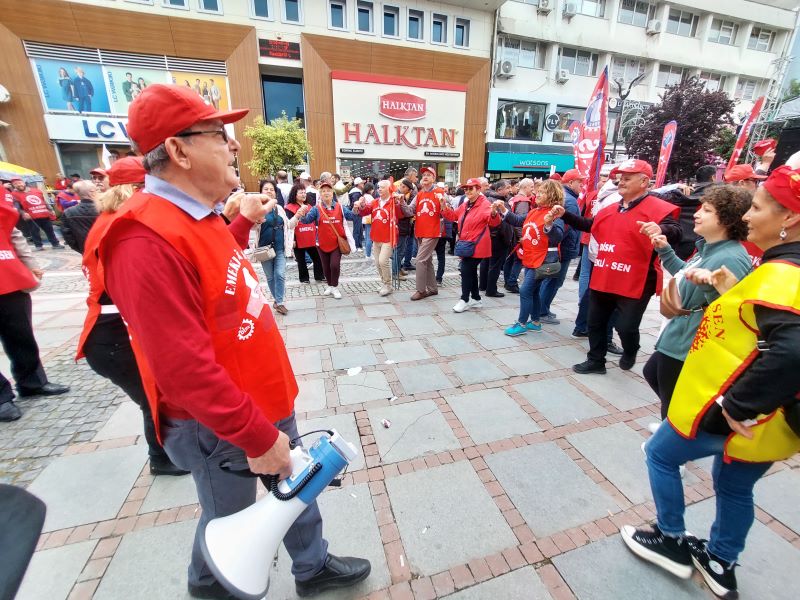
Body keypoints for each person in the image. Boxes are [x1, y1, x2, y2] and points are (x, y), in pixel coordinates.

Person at [98, 84, 370, 598]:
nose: (235, 146)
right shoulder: (142, 238)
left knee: (296, 492)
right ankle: (214, 588)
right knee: (230, 523)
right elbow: (183, 369)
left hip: (260, 400)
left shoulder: (193, 215)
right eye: (219, 135)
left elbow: (217, 271)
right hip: (222, 423)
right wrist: (256, 436)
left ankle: (311, 567)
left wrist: (242, 220)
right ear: (178, 151)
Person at [621, 165, 800, 600]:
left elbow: (793, 348)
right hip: (771, 422)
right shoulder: (780, 266)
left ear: (789, 219)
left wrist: (734, 407)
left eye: (756, 207)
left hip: (741, 413)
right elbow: (765, 327)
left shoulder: (785, 273)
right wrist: (732, 288)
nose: (749, 216)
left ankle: (670, 540)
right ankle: (721, 561)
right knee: (735, 486)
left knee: (660, 454)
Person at [73, 157, 187, 476]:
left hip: (111, 332)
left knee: (155, 396)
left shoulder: (112, 219)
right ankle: (161, 459)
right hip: (112, 336)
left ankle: (163, 456)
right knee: (155, 398)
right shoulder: (121, 226)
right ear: (136, 188)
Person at [553, 159, 682, 374]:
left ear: (644, 181)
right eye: (620, 178)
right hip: (604, 273)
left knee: (625, 326)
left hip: (636, 279)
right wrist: (564, 215)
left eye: (627, 178)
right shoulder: (610, 208)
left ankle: (631, 349)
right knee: (595, 322)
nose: (620, 182)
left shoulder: (658, 208)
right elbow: (590, 225)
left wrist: (660, 229)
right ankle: (596, 361)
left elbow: (676, 231)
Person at [643, 185, 752, 421]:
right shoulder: (711, 248)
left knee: (673, 400)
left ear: (727, 219)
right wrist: (665, 251)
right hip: (680, 334)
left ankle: (672, 447)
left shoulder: (730, 256)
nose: (696, 214)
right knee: (654, 375)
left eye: (707, 210)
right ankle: (676, 432)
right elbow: (687, 274)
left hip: (690, 342)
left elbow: (729, 310)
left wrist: (707, 285)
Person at [0, 201, 69, 422]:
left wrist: (29, 264)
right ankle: (1, 397)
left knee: (21, 334)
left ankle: (32, 381)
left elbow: (13, 234)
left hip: (8, 275)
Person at [494, 180, 565, 336]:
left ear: (552, 195)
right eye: (537, 191)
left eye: (542, 192)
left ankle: (521, 323)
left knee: (526, 290)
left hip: (543, 260)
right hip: (531, 257)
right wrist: (503, 209)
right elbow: (519, 220)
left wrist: (549, 224)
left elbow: (558, 236)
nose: (537, 194)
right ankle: (535, 322)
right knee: (533, 291)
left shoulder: (555, 214)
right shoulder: (534, 211)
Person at [450, 178, 501, 313]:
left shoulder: (484, 204)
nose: (467, 191)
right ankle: (476, 299)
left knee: (466, 270)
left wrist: (494, 213)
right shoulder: (467, 204)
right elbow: (453, 216)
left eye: (471, 188)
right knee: (470, 271)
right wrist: (443, 206)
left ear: (478, 189)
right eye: (465, 189)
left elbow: (494, 222)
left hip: (477, 244)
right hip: (467, 243)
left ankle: (465, 299)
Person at [539, 169, 583, 324]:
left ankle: (543, 309)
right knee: (553, 281)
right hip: (563, 249)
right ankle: (542, 311)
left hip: (562, 248)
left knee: (551, 280)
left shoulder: (567, 198)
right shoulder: (569, 201)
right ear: (570, 183)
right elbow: (562, 229)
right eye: (580, 182)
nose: (582, 185)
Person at [354, 180, 413, 296]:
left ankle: (388, 285)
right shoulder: (375, 202)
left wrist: (400, 202)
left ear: (389, 189)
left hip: (388, 237)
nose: (379, 189)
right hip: (376, 237)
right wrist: (360, 205)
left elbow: (402, 215)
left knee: (383, 261)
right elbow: (364, 211)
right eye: (378, 187)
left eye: (382, 187)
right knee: (377, 263)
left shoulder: (393, 202)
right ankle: (384, 283)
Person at [299, 181, 356, 299]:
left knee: (334, 265)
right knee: (325, 267)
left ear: (332, 193)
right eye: (323, 191)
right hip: (321, 243)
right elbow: (306, 220)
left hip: (337, 243)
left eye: (328, 191)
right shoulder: (316, 209)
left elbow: (352, 216)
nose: (326, 193)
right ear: (320, 193)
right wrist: (301, 213)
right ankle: (330, 285)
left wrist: (357, 208)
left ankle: (334, 286)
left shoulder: (340, 207)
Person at [257, 178, 302, 315]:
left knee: (280, 274)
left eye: (272, 189)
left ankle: (279, 302)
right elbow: (251, 227)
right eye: (266, 189)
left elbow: (288, 225)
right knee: (270, 277)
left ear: (276, 193)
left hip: (279, 248)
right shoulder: (257, 208)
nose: (269, 191)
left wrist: (298, 216)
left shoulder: (279, 208)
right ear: (261, 192)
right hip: (264, 250)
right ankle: (277, 300)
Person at [409, 166, 449, 300]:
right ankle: (432, 288)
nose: (425, 177)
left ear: (433, 178)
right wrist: (401, 202)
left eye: (428, 174)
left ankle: (421, 290)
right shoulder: (419, 193)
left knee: (420, 260)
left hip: (433, 231)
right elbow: (410, 210)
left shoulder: (440, 192)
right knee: (427, 260)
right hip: (420, 231)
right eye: (423, 175)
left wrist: (443, 203)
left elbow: (447, 212)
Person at [284, 182, 325, 284]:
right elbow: (289, 225)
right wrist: (292, 239)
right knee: (301, 260)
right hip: (298, 237)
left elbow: (315, 220)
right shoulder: (289, 207)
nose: (303, 195)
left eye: (304, 192)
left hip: (310, 236)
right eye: (301, 193)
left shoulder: (309, 206)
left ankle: (319, 276)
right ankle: (304, 278)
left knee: (317, 257)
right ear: (295, 194)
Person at [479, 179, 513, 298]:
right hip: (498, 238)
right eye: (507, 188)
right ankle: (491, 289)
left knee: (486, 261)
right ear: (499, 190)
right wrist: (505, 237)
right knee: (495, 264)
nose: (510, 190)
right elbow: (502, 222)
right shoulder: (498, 202)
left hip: (491, 236)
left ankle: (483, 285)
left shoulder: (488, 199)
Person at [10, 179, 63, 250]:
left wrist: (50, 209)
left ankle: (55, 244)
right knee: (34, 232)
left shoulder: (36, 190)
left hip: (44, 213)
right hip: (31, 216)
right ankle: (38, 246)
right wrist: (23, 213)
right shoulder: (14, 194)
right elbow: (17, 207)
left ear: (24, 183)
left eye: (19, 183)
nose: (18, 185)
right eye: (15, 184)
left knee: (50, 230)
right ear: (13, 186)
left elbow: (43, 200)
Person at [503, 178, 535, 294]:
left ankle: (508, 281)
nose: (533, 189)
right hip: (517, 235)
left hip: (510, 233)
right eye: (531, 187)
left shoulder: (514, 198)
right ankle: (511, 282)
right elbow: (520, 221)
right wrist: (521, 236)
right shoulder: (523, 201)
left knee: (510, 259)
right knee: (518, 260)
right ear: (525, 187)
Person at [61, 180, 98, 254]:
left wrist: (80, 249)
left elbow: (68, 236)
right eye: (96, 190)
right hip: (105, 248)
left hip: (85, 248)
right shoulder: (104, 209)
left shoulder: (68, 212)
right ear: (92, 192)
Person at [393, 178, 415, 279]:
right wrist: (410, 214)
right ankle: (395, 272)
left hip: (404, 227)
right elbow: (404, 214)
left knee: (401, 250)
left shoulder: (402, 196)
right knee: (399, 251)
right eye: (405, 187)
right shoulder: (398, 197)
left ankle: (399, 268)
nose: (403, 188)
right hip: (400, 227)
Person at [348, 177, 365, 252]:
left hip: (357, 212)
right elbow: (355, 204)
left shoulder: (356, 191)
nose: (363, 184)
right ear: (358, 184)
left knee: (359, 229)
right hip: (356, 213)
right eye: (362, 183)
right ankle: (356, 246)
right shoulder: (356, 192)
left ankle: (359, 245)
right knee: (357, 229)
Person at [360, 181, 375, 258]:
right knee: (369, 237)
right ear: (370, 189)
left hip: (365, 218)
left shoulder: (364, 196)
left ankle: (367, 253)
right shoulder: (370, 197)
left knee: (366, 236)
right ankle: (368, 254)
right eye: (372, 189)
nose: (373, 191)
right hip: (370, 218)